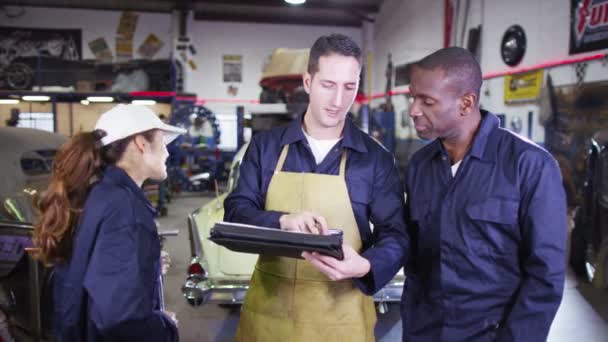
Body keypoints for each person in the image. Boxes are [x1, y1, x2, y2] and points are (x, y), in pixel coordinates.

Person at [367, 47, 566, 341]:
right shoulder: (421, 165)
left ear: (466, 103)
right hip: (425, 332)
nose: (413, 110)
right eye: (412, 97)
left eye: (427, 101)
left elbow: (545, 276)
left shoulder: (529, 166)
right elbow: (410, 247)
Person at [223, 34, 408, 341]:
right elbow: (235, 212)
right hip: (270, 317)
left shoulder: (376, 160)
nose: (338, 101)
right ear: (308, 82)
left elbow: (396, 235)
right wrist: (281, 221)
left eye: (349, 87)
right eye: (328, 85)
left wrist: (366, 264)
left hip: (343, 317)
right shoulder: (265, 148)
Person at [32, 104, 185, 342]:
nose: (167, 152)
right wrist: (163, 325)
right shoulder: (126, 209)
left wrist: (146, 266)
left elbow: (94, 271)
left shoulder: (100, 192)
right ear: (140, 143)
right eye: (162, 141)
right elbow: (120, 318)